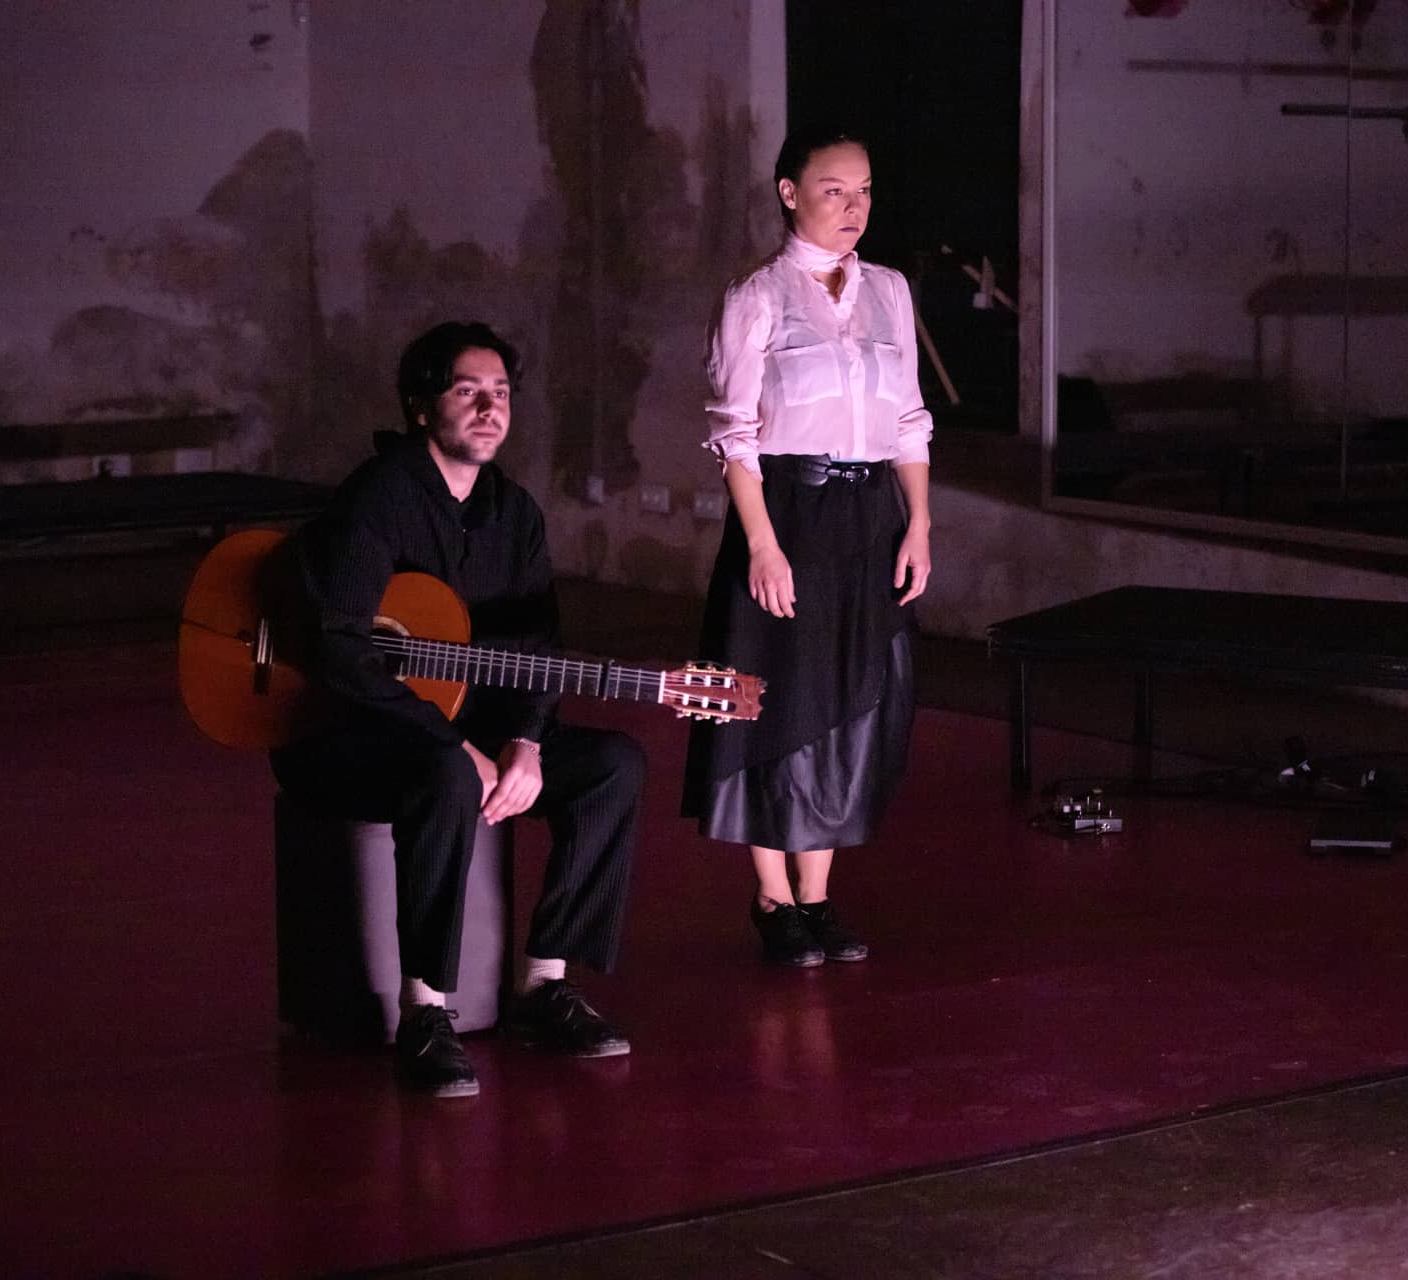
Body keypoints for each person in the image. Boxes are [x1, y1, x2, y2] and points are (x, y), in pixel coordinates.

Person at [271, 321, 646, 1098]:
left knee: (613, 765)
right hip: (351, 737)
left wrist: (526, 742)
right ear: (421, 407)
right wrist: (456, 744)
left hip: (468, 732)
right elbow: (343, 648)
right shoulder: (379, 497)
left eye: (500, 393)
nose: (488, 408)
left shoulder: (517, 514)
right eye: (467, 391)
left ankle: (543, 985)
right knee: (445, 773)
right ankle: (425, 1012)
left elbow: (538, 649)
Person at [682, 126, 932, 968]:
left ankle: (817, 896)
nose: (854, 206)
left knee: (845, 696)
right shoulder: (756, 298)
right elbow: (735, 434)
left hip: (869, 516)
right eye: (834, 189)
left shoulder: (890, 291)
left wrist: (918, 523)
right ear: (790, 193)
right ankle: (772, 896)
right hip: (788, 510)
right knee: (775, 694)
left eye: (864, 191)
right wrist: (762, 544)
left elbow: (908, 418)